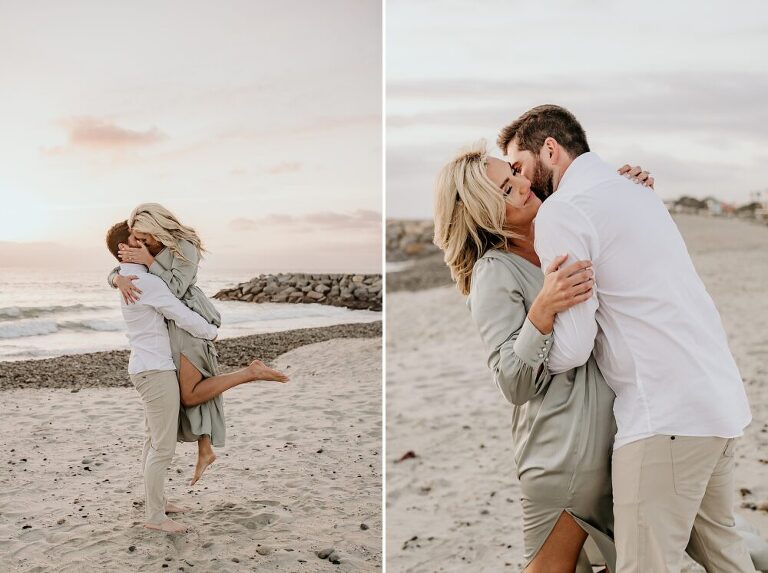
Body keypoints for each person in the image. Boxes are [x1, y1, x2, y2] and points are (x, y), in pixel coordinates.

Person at [498, 104, 754, 572]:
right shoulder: (637, 191)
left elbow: (574, 345)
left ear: (550, 150)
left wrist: (536, 354)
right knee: (727, 557)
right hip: (718, 401)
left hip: (663, 416)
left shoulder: (563, 210)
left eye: (518, 166)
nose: (519, 180)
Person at [433, 143, 653, 572]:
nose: (521, 184)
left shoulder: (562, 226)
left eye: (514, 172)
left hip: (618, 443)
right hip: (561, 457)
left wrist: (627, 189)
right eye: (504, 189)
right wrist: (542, 311)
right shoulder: (494, 272)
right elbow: (513, 383)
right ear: (482, 212)